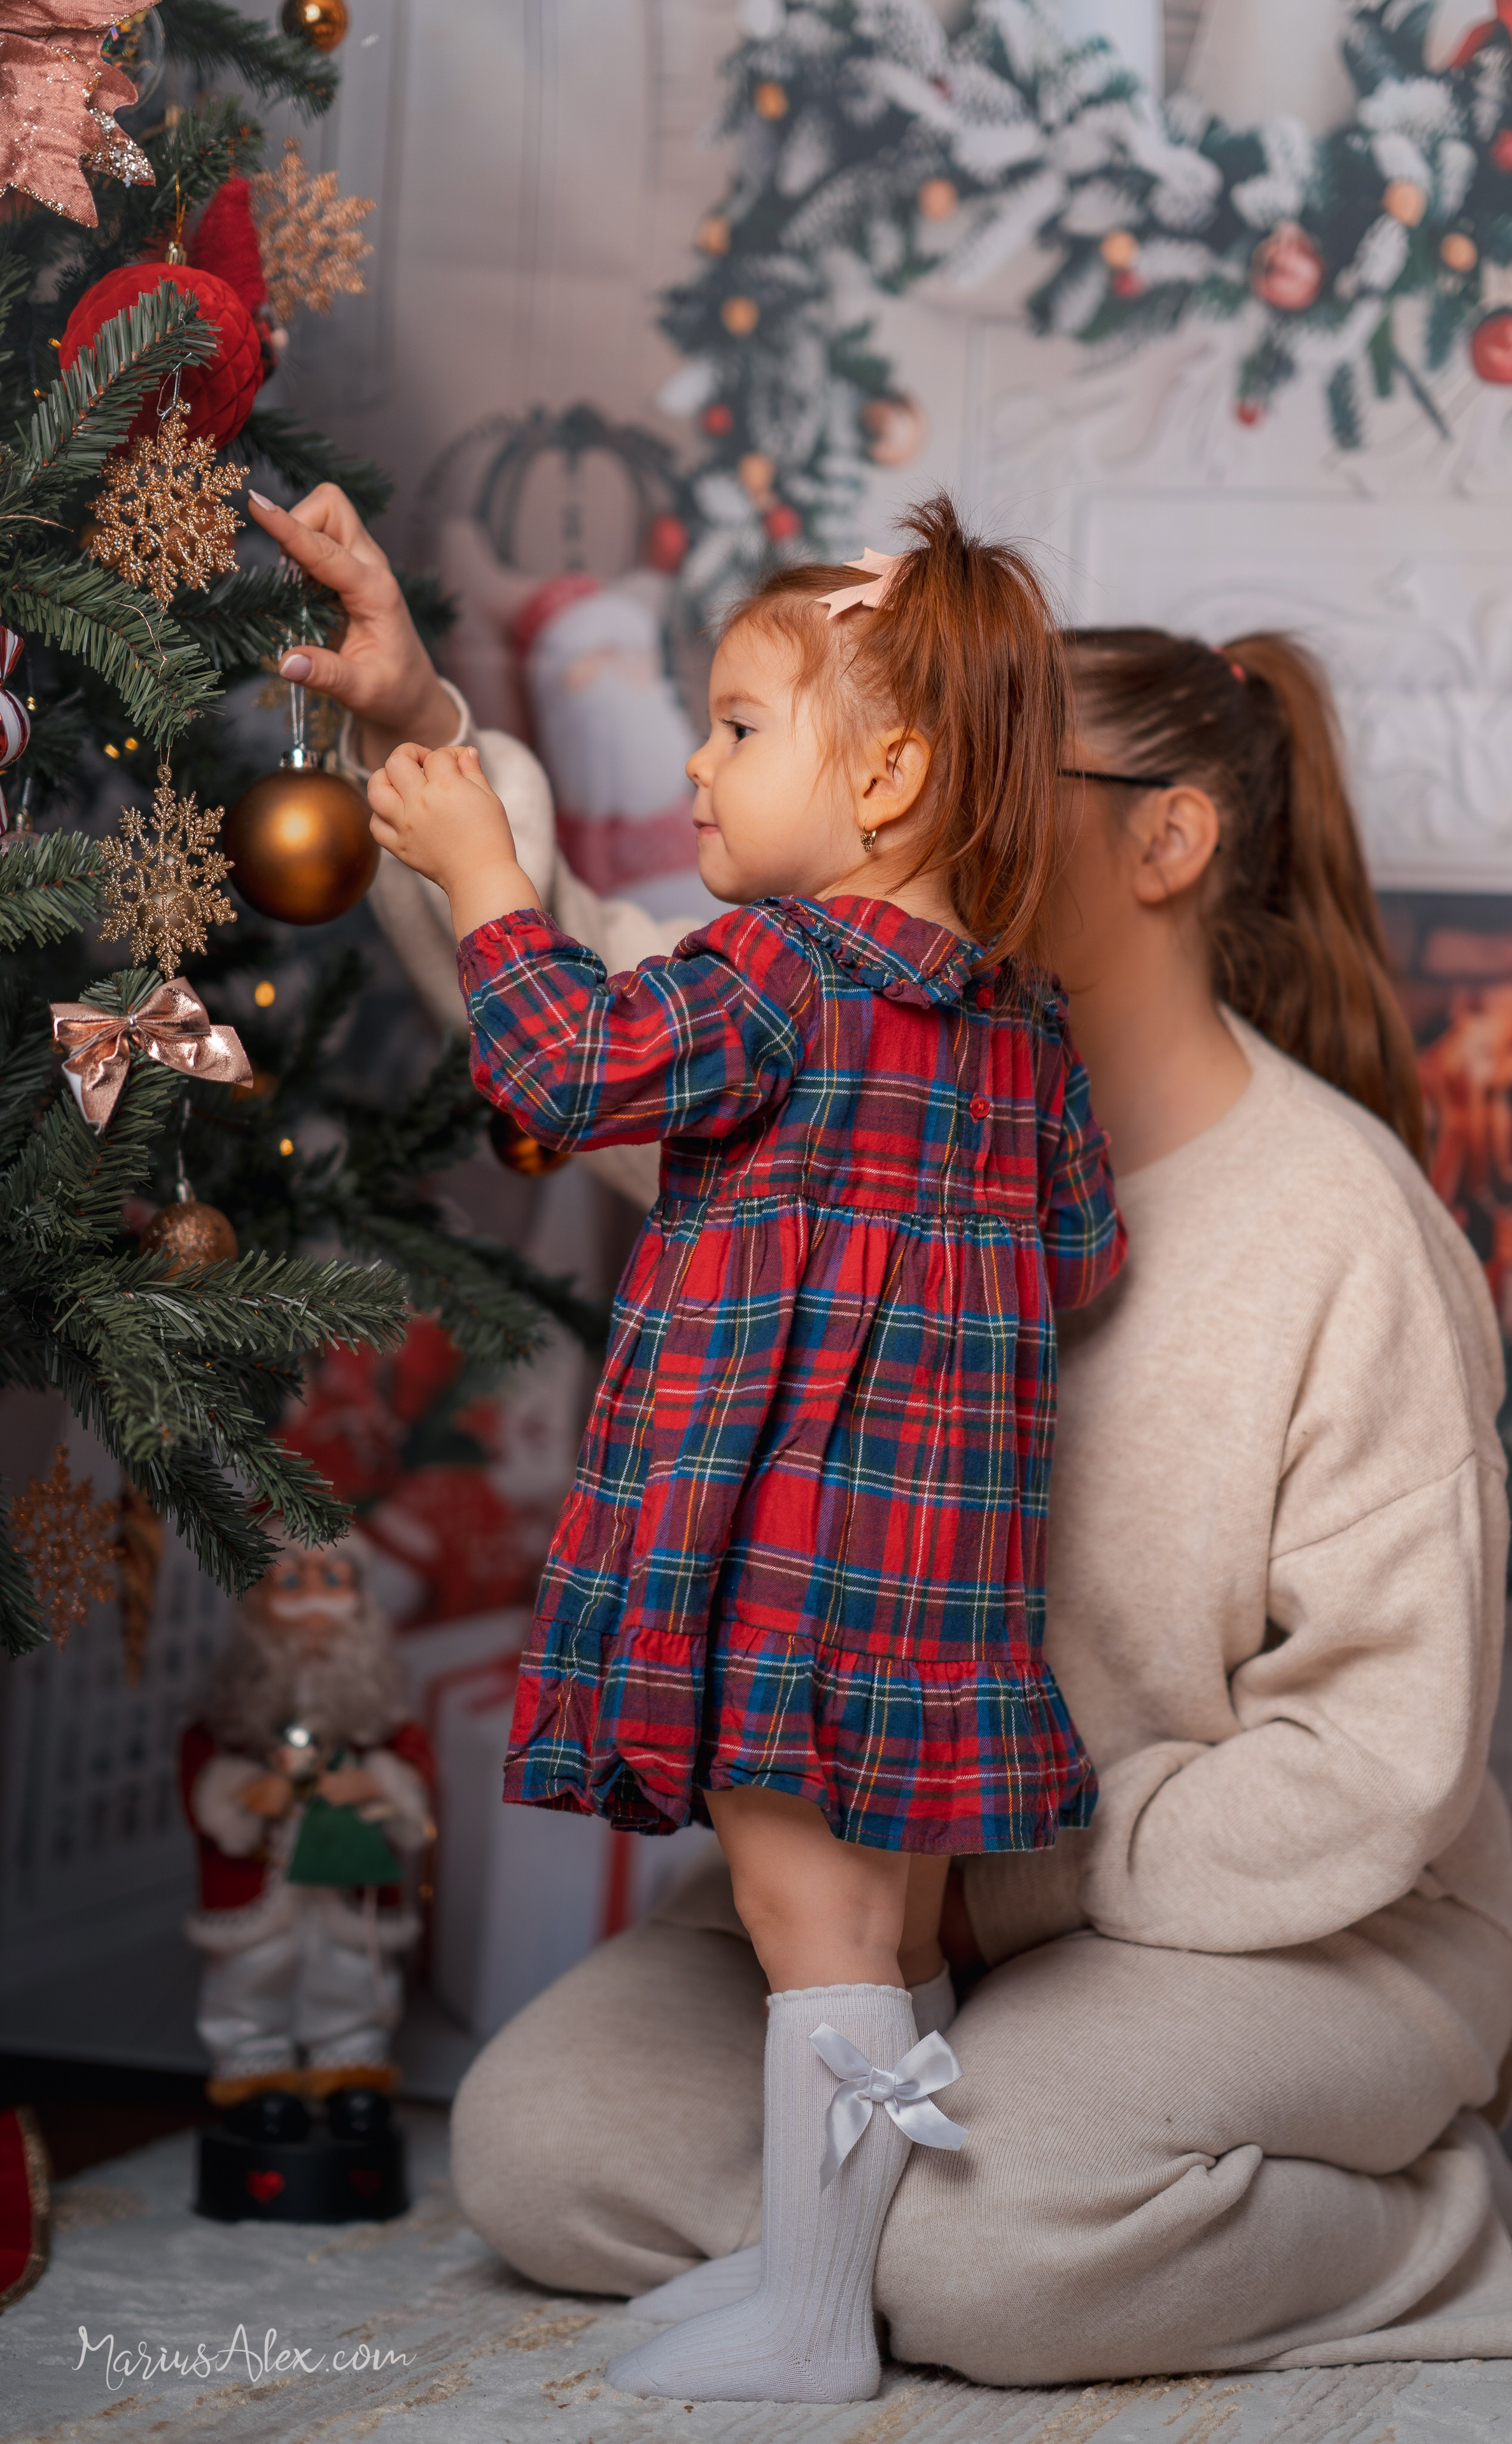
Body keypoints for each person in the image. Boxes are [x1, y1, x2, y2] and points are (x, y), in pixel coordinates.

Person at [249, 485, 1512, 2382]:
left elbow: (1377, 1757)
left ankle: (1418, 2220)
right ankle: (875, 2220)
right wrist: (421, 732)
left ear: (1167, 839)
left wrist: (1031, 1864)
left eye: (1027, 752)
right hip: (912, 1855)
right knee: (542, 2142)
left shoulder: (1341, 1226)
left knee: (992, 2257)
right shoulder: (844, 1067)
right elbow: (592, 1009)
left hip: (1261, 1922)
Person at [346, 494, 1124, 2404]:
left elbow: (564, 1064)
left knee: (803, 1914)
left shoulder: (778, 968)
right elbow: (1087, 1252)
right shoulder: (1022, 1026)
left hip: (793, 1544)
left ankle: (808, 2317)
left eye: (739, 726)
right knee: (883, 1914)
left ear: (888, 770)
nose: (697, 760)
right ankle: (824, 2273)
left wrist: (482, 883)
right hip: (946, 1566)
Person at [179, 1532, 434, 2107]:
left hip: (347, 1877)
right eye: (291, 1582)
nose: (314, 1602)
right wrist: (245, 1794)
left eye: (332, 1580)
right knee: (252, 1970)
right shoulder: (233, 1710)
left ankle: (351, 2061)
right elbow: (200, 1767)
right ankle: (252, 2067)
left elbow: (414, 1768)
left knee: (349, 1968)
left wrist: (374, 1784)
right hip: (259, 1880)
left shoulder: (378, 1711)